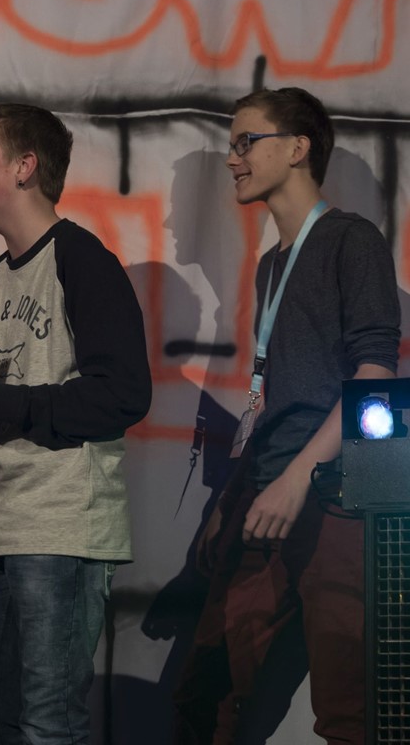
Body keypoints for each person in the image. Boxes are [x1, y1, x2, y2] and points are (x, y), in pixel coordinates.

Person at [174, 87, 401, 745]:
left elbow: (376, 375)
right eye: (231, 145)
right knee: (211, 697)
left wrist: (299, 477)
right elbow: (271, 395)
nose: (232, 159)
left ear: (297, 148)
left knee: (349, 711)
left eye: (246, 142)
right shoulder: (271, 266)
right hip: (270, 492)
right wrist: (236, 493)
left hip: (342, 499)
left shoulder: (352, 240)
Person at [0, 102, 151, 744]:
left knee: (48, 723)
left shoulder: (83, 260)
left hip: (60, 528)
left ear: (24, 167)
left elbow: (123, 395)